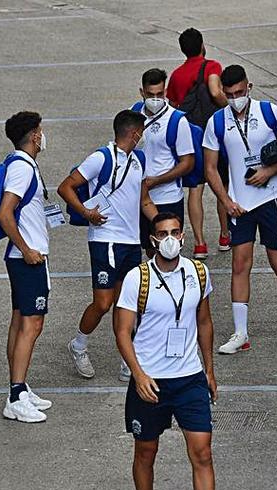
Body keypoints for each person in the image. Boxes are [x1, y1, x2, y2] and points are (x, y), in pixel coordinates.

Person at [203, 64, 277, 353]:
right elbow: (210, 168)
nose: (235, 98)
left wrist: (270, 171)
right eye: (229, 94)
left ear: (249, 87)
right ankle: (240, 333)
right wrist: (225, 201)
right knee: (240, 265)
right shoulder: (216, 122)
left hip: (273, 198)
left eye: (239, 92)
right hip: (240, 205)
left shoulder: (269, 112)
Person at [114, 212, 217, 490]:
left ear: (183, 236)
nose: (170, 239)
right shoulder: (137, 278)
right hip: (151, 381)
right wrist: (138, 375)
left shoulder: (199, 272)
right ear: (153, 240)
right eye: (163, 234)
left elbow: (204, 321)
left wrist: (209, 370)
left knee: (203, 454)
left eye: (175, 232)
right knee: (146, 453)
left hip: (189, 378)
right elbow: (122, 331)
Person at [58, 110, 159, 381]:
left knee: (128, 302)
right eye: (141, 132)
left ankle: (128, 359)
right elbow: (65, 187)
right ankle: (78, 345)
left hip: (130, 241)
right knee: (103, 303)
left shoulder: (139, 159)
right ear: (135, 133)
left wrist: (161, 223)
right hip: (105, 239)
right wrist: (86, 212)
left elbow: (144, 199)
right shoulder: (100, 158)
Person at [0, 111, 55, 423]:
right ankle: (16, 396)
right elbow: (5, 214)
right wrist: (27, 249)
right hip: (28, 258)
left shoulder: (21, 163)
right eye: (41, 131)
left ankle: (19, 387)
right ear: (34, 135)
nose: (43, 135)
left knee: (21, 320)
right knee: (32, 324)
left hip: (21, 258)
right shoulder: (21, 168)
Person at [167, 27, 229, 260]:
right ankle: (225, 235)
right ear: (203, 45)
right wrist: (228, 106)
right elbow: (215, 90)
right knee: (222, 184)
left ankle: (200, 243)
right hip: (211, 132)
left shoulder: (176, 75)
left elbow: (172, 105)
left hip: (190, 135)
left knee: (196, 189)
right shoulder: (211, 66)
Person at [135, 68, 195, 259]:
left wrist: (157, 180)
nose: (155, 99)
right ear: (142, 92)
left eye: (160, 94)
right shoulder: (133, 113)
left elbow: (188, 163)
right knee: (150, 249)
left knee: (170, 249)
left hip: (167, 198)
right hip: (140, 197)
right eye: (150, 94)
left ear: (165, 92)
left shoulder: (178, 121)